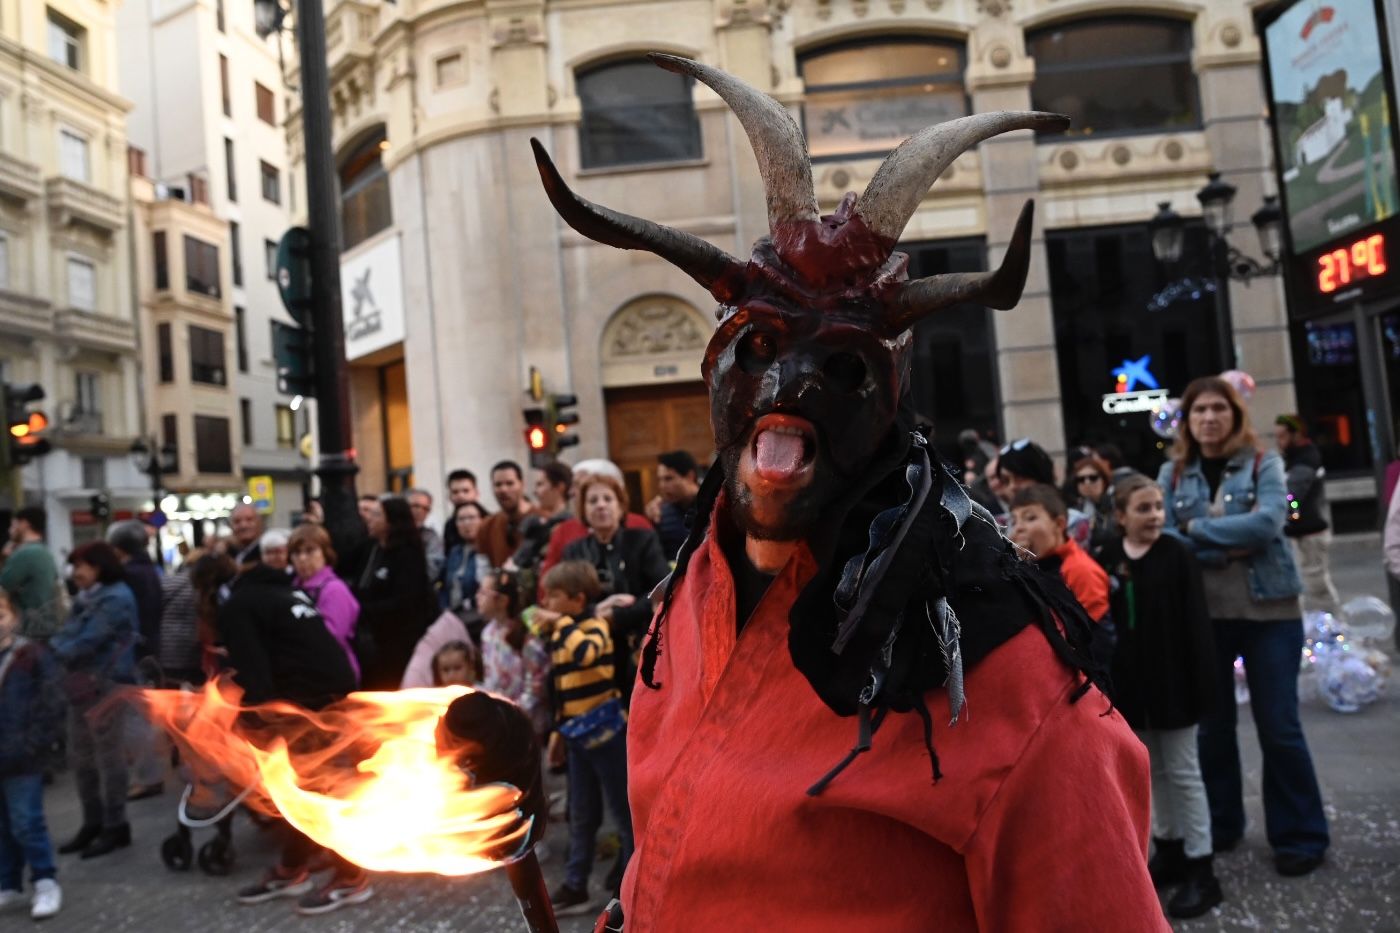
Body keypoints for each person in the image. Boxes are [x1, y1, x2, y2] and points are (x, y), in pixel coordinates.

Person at [534, 55, 1162, 929]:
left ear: (889, 399)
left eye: (839, 366)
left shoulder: (1004, 679)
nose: (788, 383)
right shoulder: (689, 596)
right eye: (757, 350)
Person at [1158, 375, 1329, 877]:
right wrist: (1218, 543)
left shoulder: (1264, 462)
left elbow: (1269, 523)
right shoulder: (1172, 472)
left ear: (1235, 415)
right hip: (1204, 616)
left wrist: (1195, 532)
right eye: (1199, 411)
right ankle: (1222, 824)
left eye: (1219, 408)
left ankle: (1300, 835)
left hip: (1270, 613)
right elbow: (1163, 535)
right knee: (1212, 730)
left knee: (1280, 728)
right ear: (1187, 421)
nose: (1209, 418)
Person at [191, 553, 369, 915]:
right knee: (305, 789)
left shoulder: (238, 606)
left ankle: (350, 878)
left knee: (312, 791)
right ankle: (292, 867)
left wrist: (255, 725)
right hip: (331, 690)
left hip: (306, 701)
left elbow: (255, 675)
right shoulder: (279, 593)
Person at [1100, 475, 1222, 919]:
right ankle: (1168, 848)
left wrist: (1201, 685)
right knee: (1153, 774)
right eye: (1143, 509)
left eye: (1157, 507)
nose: (1154, 516)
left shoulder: (1177, 555)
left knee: (1185, 772)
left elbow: (1196, 625)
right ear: (1120, 517)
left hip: (1175, 685)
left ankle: (1201, 865)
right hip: (1134, 687)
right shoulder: (1110, 557)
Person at [535, 561, 631, 916]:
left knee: (622, 811)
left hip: (606, 735)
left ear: (576, 599)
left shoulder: (594, 627)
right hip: (576, 736)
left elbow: (587, 656)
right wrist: (559, 731)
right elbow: (562, 687)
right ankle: (576, 884)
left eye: (554, 596)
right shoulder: (563, 632)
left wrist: (560, 624)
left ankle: (630, 884)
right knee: (581, 813)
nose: (547, 602)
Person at [50, 542, 138, 860]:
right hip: (83, 687)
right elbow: (70, 633)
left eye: (80, 566)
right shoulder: (89, 597)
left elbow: (87, 639)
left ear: (98, 566)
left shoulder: (115, 597)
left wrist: (53, 651)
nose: (75, 573)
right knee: (83, 757)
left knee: (107, 758)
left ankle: (115, 825)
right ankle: (94, 822)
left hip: (107, 686)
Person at [561, 474, 669, 702]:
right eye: (593, 501)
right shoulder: (574, 551)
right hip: (593, 651)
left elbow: (661, 590)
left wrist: (618, 615)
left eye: (608, 499)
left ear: (620, 507)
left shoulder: (643, 540)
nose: (601, 505)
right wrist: (597, 613)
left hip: (640, 642)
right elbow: (566, 600)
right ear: (583, 510)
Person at [0, 588, 64, 919]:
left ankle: (45, 880)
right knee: (4, 824)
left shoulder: (31, 655)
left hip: (22, 755)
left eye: (1, 615)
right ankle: (8, 883)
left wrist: (36, 742)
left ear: (15, 617)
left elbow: (52, 700)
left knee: (27, 821)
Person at [106, 520, 167, 801]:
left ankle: (148, 777)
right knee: (142, 716)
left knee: (136, 719)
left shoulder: (129, 575)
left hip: (136, 652)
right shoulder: (150, 570)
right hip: (151, 648)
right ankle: (148, 774)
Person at [350, 496, 436, 690]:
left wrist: (364, 609)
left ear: (392, 521)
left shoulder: (407, 555)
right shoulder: (372, 548)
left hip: (397, 641)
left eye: (377, 515)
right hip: (371, 639)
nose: (370, 519)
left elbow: (406, 601)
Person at [1009, 484, 1111, 624]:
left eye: (1030, 518)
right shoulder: (1030, 564)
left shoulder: (1081, 570)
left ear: (1059, 524)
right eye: (1014, 521)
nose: (1018, 528)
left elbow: (1095, 637)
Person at [540, 460, 653, 580]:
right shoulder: (564, 530)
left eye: (578, 485)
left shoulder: (639, 526)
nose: (571, 492)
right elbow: (549, 580)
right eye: (593, 500)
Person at [1274, 414, 1340, 615]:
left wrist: (1292, 514)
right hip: (1300, 530)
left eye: (1282, 436)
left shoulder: (1306, 458)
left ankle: (1334, 629)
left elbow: (1293, 494)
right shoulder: (1295, 458)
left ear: (1296, 434)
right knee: (1302, 584)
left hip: (1309, 531)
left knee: (1316, 584)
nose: (1279, 442)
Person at [475, 568, 549, 736]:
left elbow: (535, 688)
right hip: (499, 721)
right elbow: (489, 677)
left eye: (483, 593)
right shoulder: (488, 633)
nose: (477, 596)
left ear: (502, 601)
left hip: (526, 724)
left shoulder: (527, 636)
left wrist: (514, 714)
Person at [289, 524, 361, 687]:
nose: (302, 558)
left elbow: (332, 638)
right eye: (296, 552)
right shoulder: (293, 587)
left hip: (333, 675)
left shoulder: (334, 589)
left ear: (325, 553)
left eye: (310, 551)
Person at [0, 507, 62, 639]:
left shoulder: (25, 553)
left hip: (28, 629)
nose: (10, 529)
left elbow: (3, 586)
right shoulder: (45, 552)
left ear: (24, 524)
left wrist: (4, 559)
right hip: (46, 624)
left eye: (13, 524)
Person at [513, 462, 573, 577]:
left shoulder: (568, 525)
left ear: (559, 487)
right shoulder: (536, 523)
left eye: (541, 484)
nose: (536, 491)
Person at [478, 462, 535, 567]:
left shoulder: (543, 519)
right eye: (498, 485)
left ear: (522, 484)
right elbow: (483, 568)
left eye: (510, 483)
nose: (503, 490)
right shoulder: (486, 526)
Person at [645, 451, 701, 559]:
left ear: (690, 476)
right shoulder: (660, 514)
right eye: (660, 479)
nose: (662, 486)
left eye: (668, 478)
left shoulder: (714, 504)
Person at [440, 501, 491, 616]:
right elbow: (444, 586)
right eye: (461, 519)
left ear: (483, 520)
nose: (466, 523)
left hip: (478, 616)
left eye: (472, 518)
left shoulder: (489, 550)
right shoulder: (455, 551)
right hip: (452, 616)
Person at [1068, 454, 1118, 557]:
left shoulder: (1117, 504)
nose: (1087, 482)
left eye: (1093, 478)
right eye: (1081, 479)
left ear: (1103, 480)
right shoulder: (1073, 513)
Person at [408, 488, 446, 582]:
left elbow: (432, 571)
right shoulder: (387, 533)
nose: (420, 511)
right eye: (415, 506)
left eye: (426, 509)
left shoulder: (431, 537)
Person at [441, 469, 480, 555]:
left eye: (466, 491)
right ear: (449, 496)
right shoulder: (449, 525)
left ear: (476, 493)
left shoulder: (489, 520)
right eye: (455, 492)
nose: (460, 496)